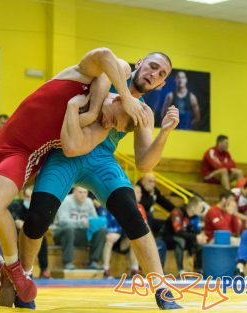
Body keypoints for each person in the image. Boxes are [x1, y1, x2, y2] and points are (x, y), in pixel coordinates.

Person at [0, 47, 148, 307]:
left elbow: (72, 148)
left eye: (115, 127)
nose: (109, 124)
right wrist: (108, 103)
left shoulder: (97, 128)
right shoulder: (86, 77)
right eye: (113, 119)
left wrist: (82, 114)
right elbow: (108, 56)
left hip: (22, 153)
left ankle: (15, 269)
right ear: (118, 99)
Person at [19, 51, 183, 310]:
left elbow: (144, 164)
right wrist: (121, 99)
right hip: (67, 154)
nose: (154, 75)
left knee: (133, 215)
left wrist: (165, 133)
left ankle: (162, 289)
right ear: (139, 63)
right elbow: (104, 63)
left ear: (161, 85)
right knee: (37, 218)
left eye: (161, 75)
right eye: (152, 66)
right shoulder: (109, 80)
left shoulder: (145, 112)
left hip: (102, 161)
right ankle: (24, 279)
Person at [53, 186, 106, 270]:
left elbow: (94, 220)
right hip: (61, 233)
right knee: (69, 228)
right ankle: (68, 262)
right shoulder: (66, 200)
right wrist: (82, 223)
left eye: (85, 192)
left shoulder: (89, 202)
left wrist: (96, 223)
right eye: (80, 192)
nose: (83, 195)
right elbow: (62, 221)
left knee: (101, 230)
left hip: (79, 234)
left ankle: (93, 261)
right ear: (74, 191)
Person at [8, 185, 50, 278]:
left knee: (42, 238)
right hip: (15, 232)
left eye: (32, 197)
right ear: (23, 196)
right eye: (27, 197)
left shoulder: (40, 208)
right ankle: (16, 269)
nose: (29, 199)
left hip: (31, 232)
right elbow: (16, 221)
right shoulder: (16, 205)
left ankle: (44, 269)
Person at [162, 197, 206, 275]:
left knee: (200, 244)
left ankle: (200, 270)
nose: (201, 209)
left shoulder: (195, 217)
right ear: (192, 208)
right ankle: (180, 270)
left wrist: (200, 237)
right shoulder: (177, 212)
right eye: (199, 207)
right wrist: (195, 237)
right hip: (168, 237)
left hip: (184, 237)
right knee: (180, 240)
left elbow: (197, 231)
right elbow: (178, 231)